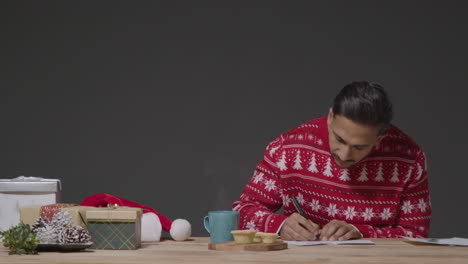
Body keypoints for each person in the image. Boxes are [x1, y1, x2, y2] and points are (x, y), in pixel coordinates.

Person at [232, 81, 431, 241]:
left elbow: (416, 235)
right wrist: (279, 225)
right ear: (329, 117)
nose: (344, 155)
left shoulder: (409, 159)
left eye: (359, 147)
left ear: (379, 140)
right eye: (339, 139)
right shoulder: (288, 148)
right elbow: (241, 213)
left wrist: (360, 232)